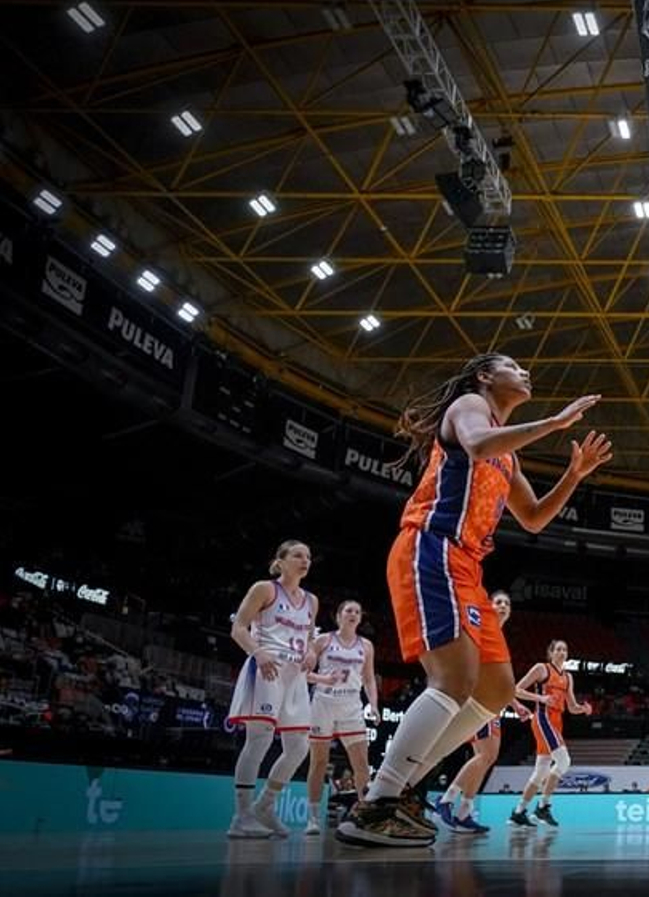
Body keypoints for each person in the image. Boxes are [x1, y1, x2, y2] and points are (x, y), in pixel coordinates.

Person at [336, 355, 612, 848]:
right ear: (486, 377)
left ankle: (401, 790)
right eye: (514, 365)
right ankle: (377, 802)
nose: (526, 372)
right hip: (433, 545)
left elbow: (531, 518)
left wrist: (573, 475)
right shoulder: (470, 406)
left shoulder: (510, 457)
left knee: (495, 691)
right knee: (454, 679)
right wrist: (554, 422)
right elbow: (478, 443)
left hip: (468, 567)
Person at [226, 540, 318, 839]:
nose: (305, 560)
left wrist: (312, 653)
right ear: (280, 561)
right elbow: (238, 628)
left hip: (295, 676)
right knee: (260, 740)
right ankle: (241, 816)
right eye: (298, 555)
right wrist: (257, 652)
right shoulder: (264, 589)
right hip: (268, 667)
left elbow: (307, 638)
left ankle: (265, 805)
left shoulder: (311, 601)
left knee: (300, 746)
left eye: (308, 556)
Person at [435, 592, 531, 834]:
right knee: (485, 755)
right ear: (489, 607)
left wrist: (516, 705)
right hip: (478, 699)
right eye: (498, 602)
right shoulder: (482, 631)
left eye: (507, 603)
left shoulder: (498, 636)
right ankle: (446, 799)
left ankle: (464, 812)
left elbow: (499, 679)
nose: (502, 606)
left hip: (491, 702)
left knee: (486, 757)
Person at [303, 599, 380, 835]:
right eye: (349, 610)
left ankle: (363, 814)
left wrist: (374, 705)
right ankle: (313, 818)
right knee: (318, 762)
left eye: (357, 611)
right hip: (323, 704)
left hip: (351, 707)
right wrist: (323, 679)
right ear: (338, 616)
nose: (354, 614)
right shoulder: (324, 640)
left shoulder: (366, 646)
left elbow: (368, 679)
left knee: (361, 765)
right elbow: (304, 673)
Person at [509, 639, 594, 827]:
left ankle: (519, 812)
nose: (562, 652)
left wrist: (583, 709)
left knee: (540, 773)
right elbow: (516, 690)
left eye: (565, 649)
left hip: (557, 722)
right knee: (564, 761)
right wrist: (541, 697)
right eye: (558, 649)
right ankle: (543, 806)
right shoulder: (542, 669)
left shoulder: (568, 677)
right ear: (551, 652)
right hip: (542, 719)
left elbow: (571, 707)